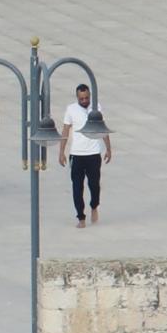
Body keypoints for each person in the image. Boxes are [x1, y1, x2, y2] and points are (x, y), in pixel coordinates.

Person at [58, 84, 113, 229]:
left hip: (93, 153)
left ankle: (94, 205)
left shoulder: (96, 108)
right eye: (81, 98)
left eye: (86, 98)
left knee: (94, 185)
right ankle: (81, 216)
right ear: (77, 98)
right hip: (77, 154)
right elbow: (65, 130)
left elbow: (102, 127)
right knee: (77, 187)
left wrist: (108, 148)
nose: (84, 100)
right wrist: (61, 151)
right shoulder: (71, 110)